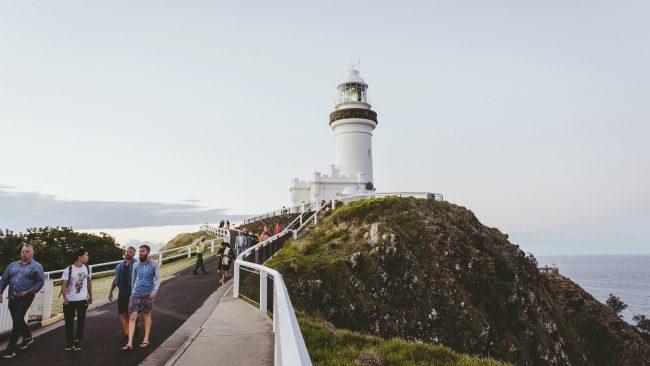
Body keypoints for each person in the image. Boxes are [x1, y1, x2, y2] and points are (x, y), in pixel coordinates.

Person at [0, 244, 44, 359]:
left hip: (26, 297)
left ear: (32, 253)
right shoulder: (12, 265)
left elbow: (40, 282)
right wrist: (0, 292)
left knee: (17, 320)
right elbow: (4, 279)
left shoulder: (37, 266)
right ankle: (28, 337)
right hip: (12, 297)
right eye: (23, 251)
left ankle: (11, 348)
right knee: (17, 319)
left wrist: (29, 291)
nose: (24, 253)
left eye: (27, 252)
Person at [122, 245, 161, 352]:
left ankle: (146, 339)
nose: (140, 253)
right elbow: (133, 280)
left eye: (142, 251)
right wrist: (132, 293)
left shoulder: (154, 264)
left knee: (146, 315)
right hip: (135, 293)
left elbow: (158, 279)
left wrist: (154, 291)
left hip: (148, 294)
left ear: (148, 252)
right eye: (139, 251)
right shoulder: (135, 264)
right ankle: (129, 343)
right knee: (132, 317)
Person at [61, 248, 93, 351]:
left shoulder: (86, 268)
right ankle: (70, 342)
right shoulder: (69, 269)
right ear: (80, 257)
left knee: (81, 321)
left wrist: (90, 296)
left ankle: (78, 341)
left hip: (82, 299)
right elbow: (64, 285)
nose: (87, 257)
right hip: (70, 300)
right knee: (69, 322)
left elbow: (89, 282)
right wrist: (65, 298)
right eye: (86, 255)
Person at [109, 246, 137, 342]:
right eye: (127, 251)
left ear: (134, 254)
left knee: (133, 313)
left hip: (133, 291)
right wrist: (111, 291)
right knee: (122, 313)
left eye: (131, 252)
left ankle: (136, 326)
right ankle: (127, 334)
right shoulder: (119, 266)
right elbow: (115, 279)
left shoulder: (136, 264)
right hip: (122, 292)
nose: (128, 253)